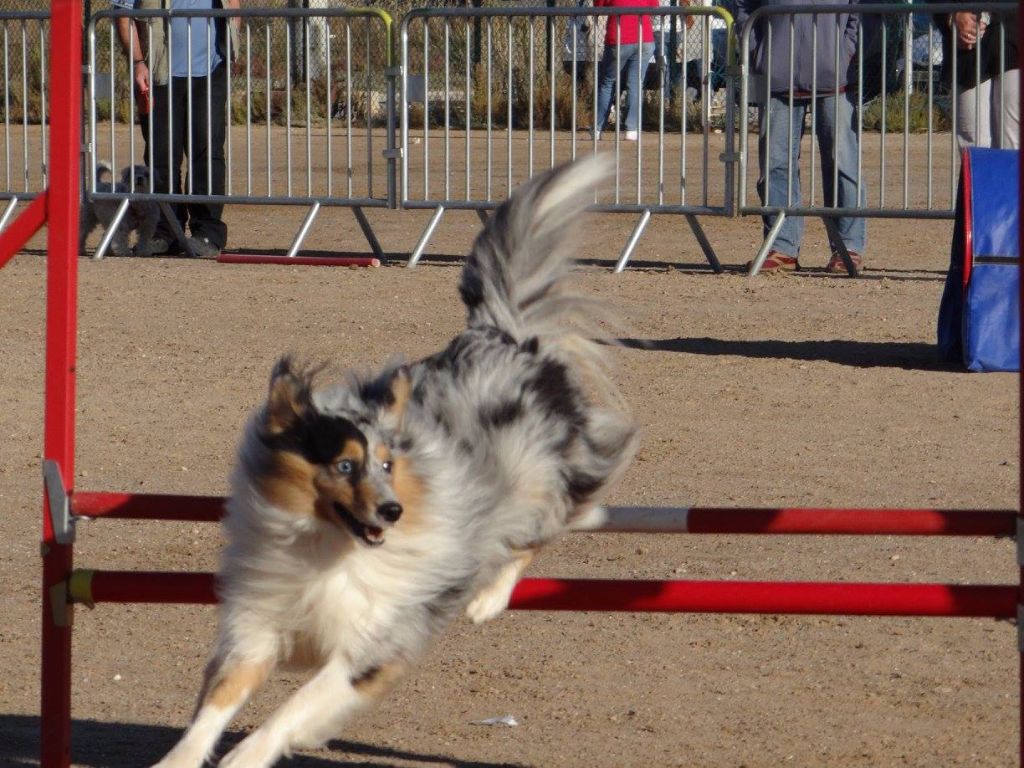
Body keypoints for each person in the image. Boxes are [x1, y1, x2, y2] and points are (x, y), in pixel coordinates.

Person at [734, 0, 867, 275]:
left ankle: (848, 248)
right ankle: (782, 246)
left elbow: (861, 9)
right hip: (776, 76)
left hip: (835, 75)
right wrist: (758, 52)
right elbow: (742, 5)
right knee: (774, 163)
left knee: (842, 163)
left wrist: (847, 52)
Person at [112, 0, 240, 259]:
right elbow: (122, 13)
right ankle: (164, 232)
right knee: (161, 155)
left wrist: (230, 49)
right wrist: (138, 63)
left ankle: (208, 234)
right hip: (159, 73)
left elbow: (233, 7)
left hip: (211, 72)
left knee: (208, 151)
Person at [930, 4, 1019, 149]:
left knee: (1013, 141)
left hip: (1014, 41)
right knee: (974, 146)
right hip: (968, 55)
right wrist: (952, 16)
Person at [593, 0, 658, 141]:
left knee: (608, 82)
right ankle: (631, 129)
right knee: (635, 84)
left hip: (619, 37)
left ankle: (598, 128)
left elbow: (598, 5)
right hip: (644, 37)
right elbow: (654, 6)